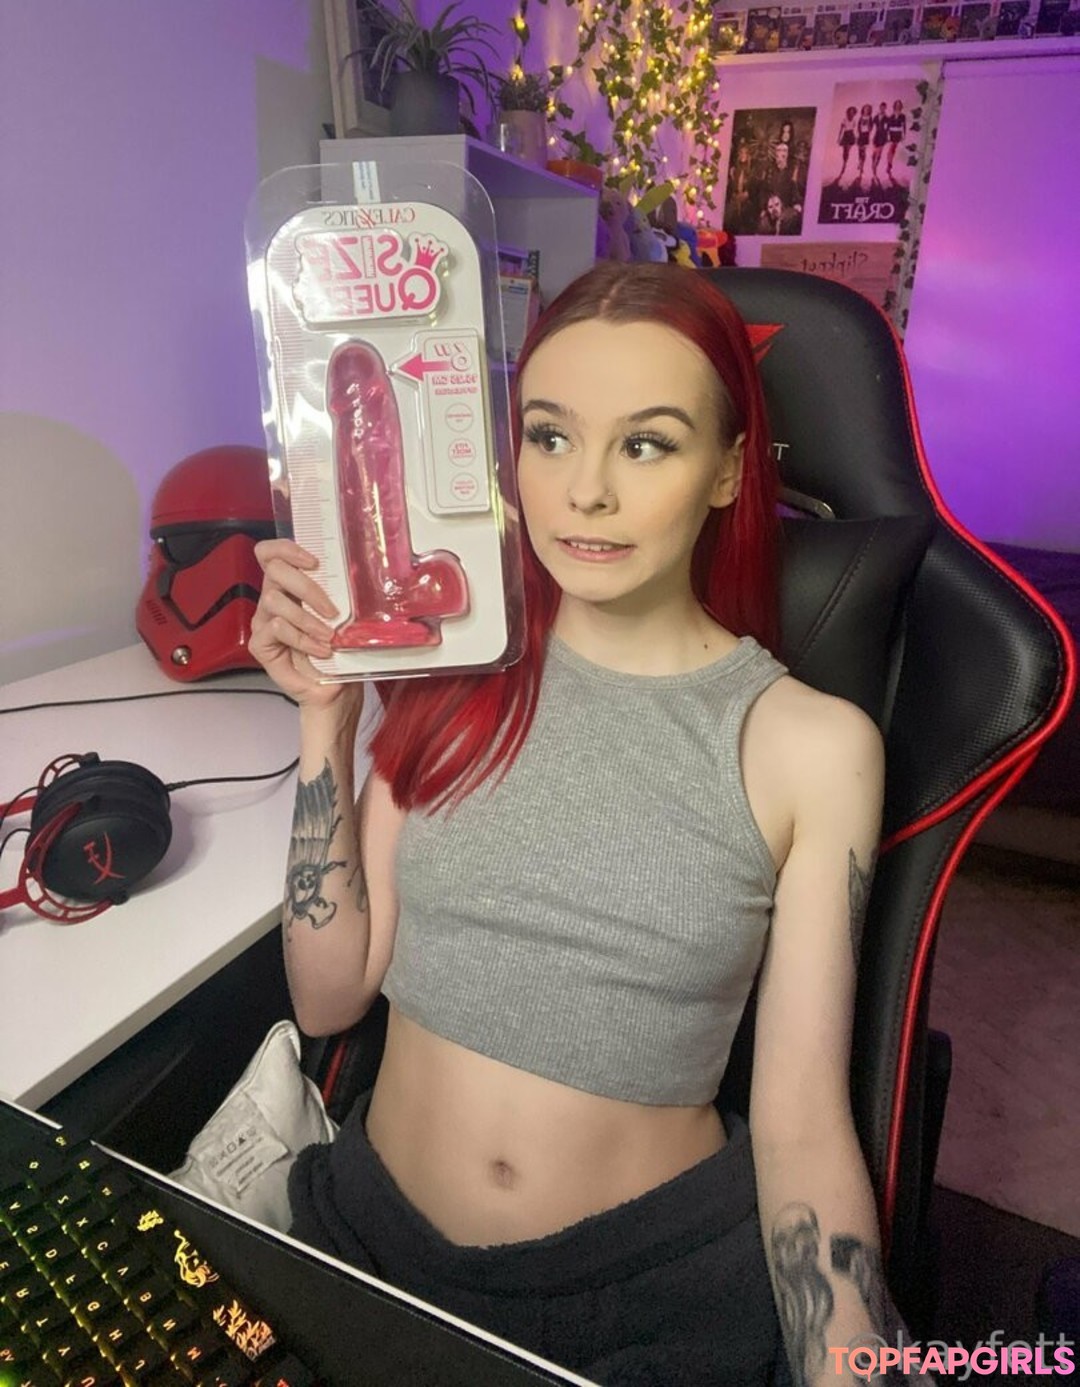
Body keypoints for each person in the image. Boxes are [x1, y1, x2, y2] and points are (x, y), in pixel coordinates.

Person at [250, 262, 929, 1387]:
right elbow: (329, 998)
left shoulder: (808, 746)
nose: (585, 492)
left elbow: (803, 1123)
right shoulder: (452, 664)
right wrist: (326, 720)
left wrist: (852, 1358)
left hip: (636, 1303)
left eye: (647, 444)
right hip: (367, 1245)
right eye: (551, 436)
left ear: (728, 469)